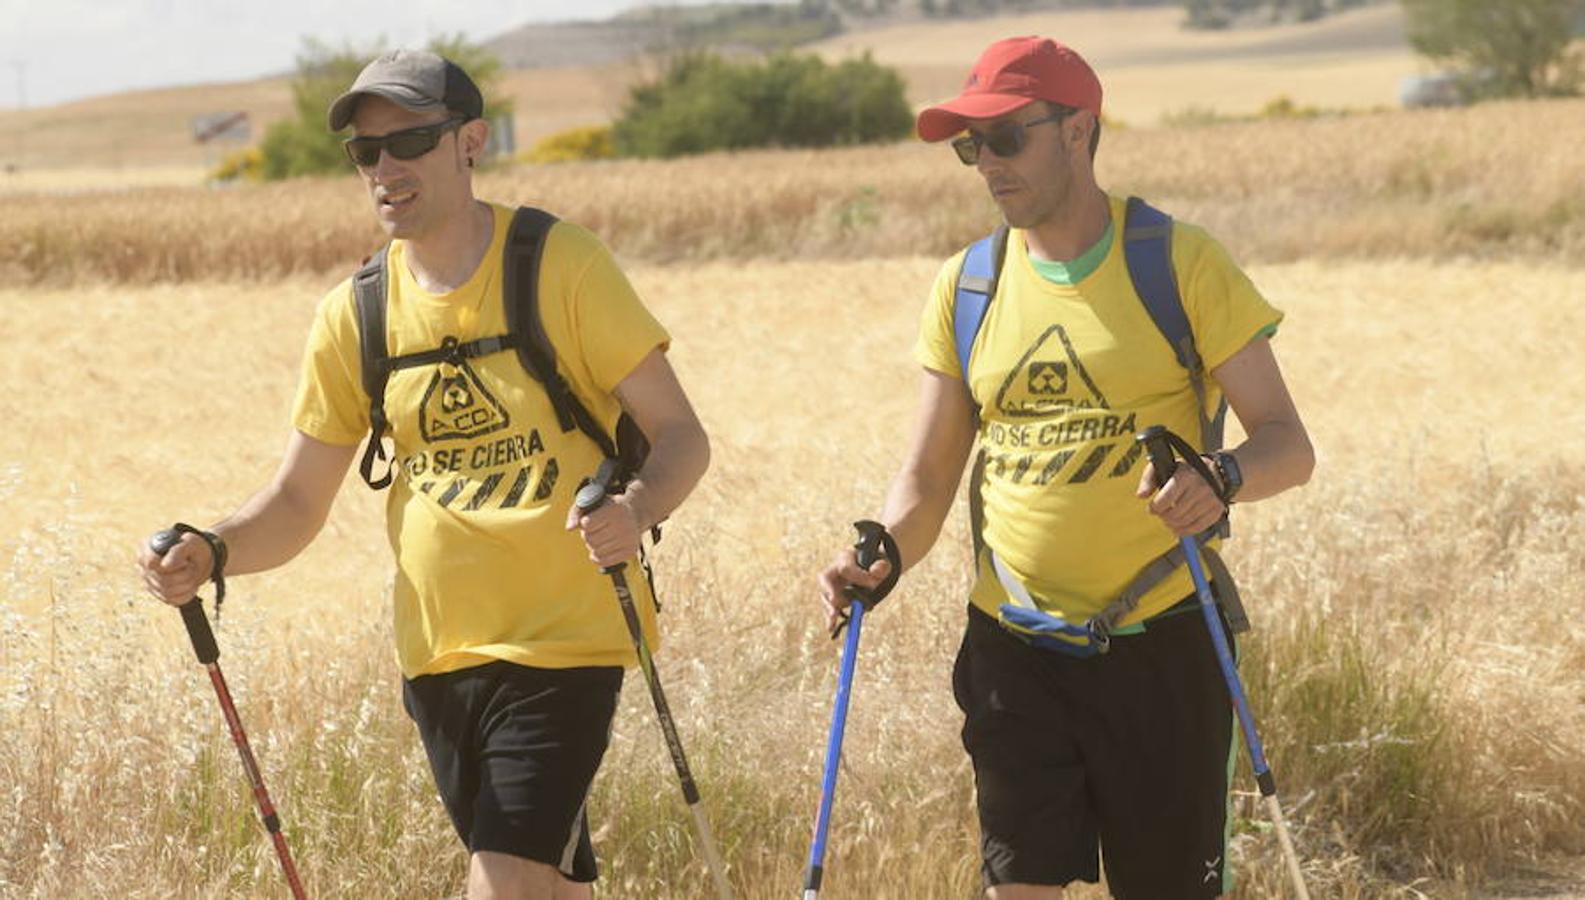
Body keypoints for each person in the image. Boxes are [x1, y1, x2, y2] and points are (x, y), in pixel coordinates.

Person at [137, 49, 710, 900]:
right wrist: (211, 552)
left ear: (469, 141)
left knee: (502, 880)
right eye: (367, 152)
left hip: (564, 641)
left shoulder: (560, 264)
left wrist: (634, 506)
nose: (385, 168)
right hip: (437, 656)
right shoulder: (355, 313)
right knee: (547, 885)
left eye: (409, 141)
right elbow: (298, 501)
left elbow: (680, 437)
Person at [817, 36, 1313, 899]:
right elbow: (928, 479)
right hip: (1012, 649)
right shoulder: (966, 284)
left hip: (1162, 645)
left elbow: (1285, 443)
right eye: (969, 147)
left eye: (1005, 139)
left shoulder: (1177, 262)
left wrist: (1220, 480)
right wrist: (884, 553)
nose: (985, 166)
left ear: (1079, 130)